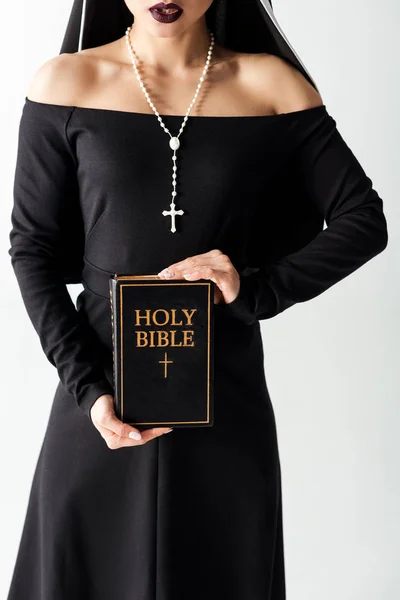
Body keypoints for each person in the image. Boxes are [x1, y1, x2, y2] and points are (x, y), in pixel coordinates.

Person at [7, 1, 388, 599]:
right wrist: (90, 391)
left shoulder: (271, 85)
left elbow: (362, 220)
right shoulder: (67, 81)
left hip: (224, 390)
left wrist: (256, 290)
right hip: (101, 391)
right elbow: (31, 249)